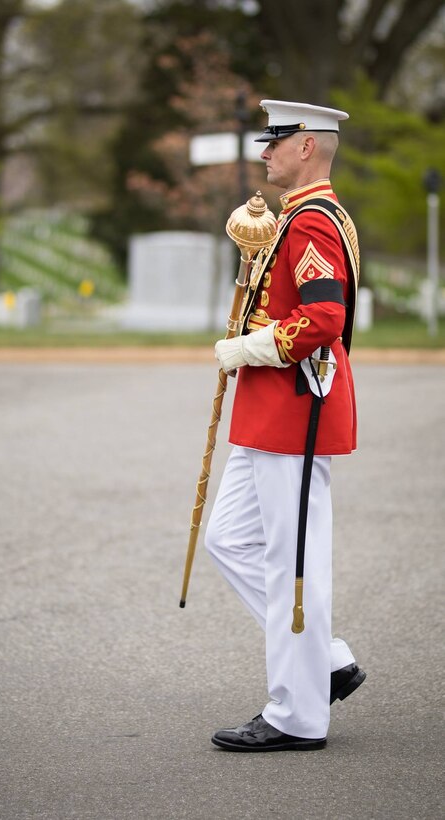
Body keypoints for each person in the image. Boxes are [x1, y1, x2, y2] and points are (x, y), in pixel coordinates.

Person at [206, 100, 365, 752]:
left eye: (275, 142)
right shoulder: (298, 217)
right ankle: (324, 661)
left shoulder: (310, 222)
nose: (264, 153)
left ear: (306, 147)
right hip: (271, 413)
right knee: (228, 540)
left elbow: (322, 317)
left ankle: (296, 715)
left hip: (294, 409)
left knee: (293, 567)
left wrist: (251, 348)